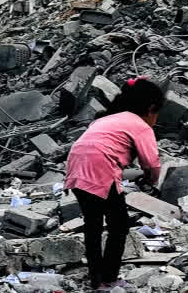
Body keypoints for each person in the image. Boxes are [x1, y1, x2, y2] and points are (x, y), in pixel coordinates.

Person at [64, 76, 164, 291]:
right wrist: (151, 181)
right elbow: (152, 163)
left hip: (76, 166)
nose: (156, 119)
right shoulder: (140, 125)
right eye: (157, 114)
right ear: (151, 108)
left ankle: (96, 278)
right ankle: (109, 278)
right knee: (118, 225)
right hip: (99, 167)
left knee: (93, 225)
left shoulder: (105, 119)